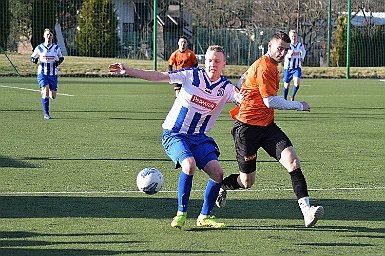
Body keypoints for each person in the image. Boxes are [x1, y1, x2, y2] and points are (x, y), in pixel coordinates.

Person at [109, 45, 241, 229]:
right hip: (174, 134)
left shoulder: (226, 88)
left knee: (217, 173)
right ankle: (181, 213)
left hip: (199, 137)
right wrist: (128, 70)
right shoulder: (191, 75)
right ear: (205, 62)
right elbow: (159, 76)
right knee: (189, 164)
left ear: (224, 64)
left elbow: (244, 99)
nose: (213, 64)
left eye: (217, 61)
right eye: (210, 60)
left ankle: (204, 216)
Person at [216, 31, 324, 228]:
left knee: (292, 161)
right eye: (279, 48)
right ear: (269, 47)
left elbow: (241, 80)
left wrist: (242, 90)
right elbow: (269, 101)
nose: (282, 53)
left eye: (285, 49)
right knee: (247, 182)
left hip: (267, 127)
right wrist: (299, 105)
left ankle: (307, 211)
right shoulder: (265, 66)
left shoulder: (269, 65)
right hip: (246, 129)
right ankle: (223, 185)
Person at [31, 28, 64, 120]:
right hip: (42, 73)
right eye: (47, 34)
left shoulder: (56, 48)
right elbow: (33, 57)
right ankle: (46, 113)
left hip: (53, 74)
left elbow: (61, 57)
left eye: (50, 35)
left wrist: (59, 61)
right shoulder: (39, 48)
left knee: (53, 96)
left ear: (52, 36)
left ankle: (45, 92)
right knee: (45, 91)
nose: (49, 36)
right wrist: (34, 59)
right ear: (44, 36)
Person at [283, 30, 306, 101]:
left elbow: (303, 51)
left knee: (297, 84)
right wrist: (290, 54)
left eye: (295, 36)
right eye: (292, 36)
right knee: (286, 86)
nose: (294, 38)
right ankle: (284, 99)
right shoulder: (287, 45)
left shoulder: (300, 45)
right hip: (288, 68)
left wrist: (302, 57)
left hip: (297, 67)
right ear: (290, 37)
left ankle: (292, 96)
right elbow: (285, 54)